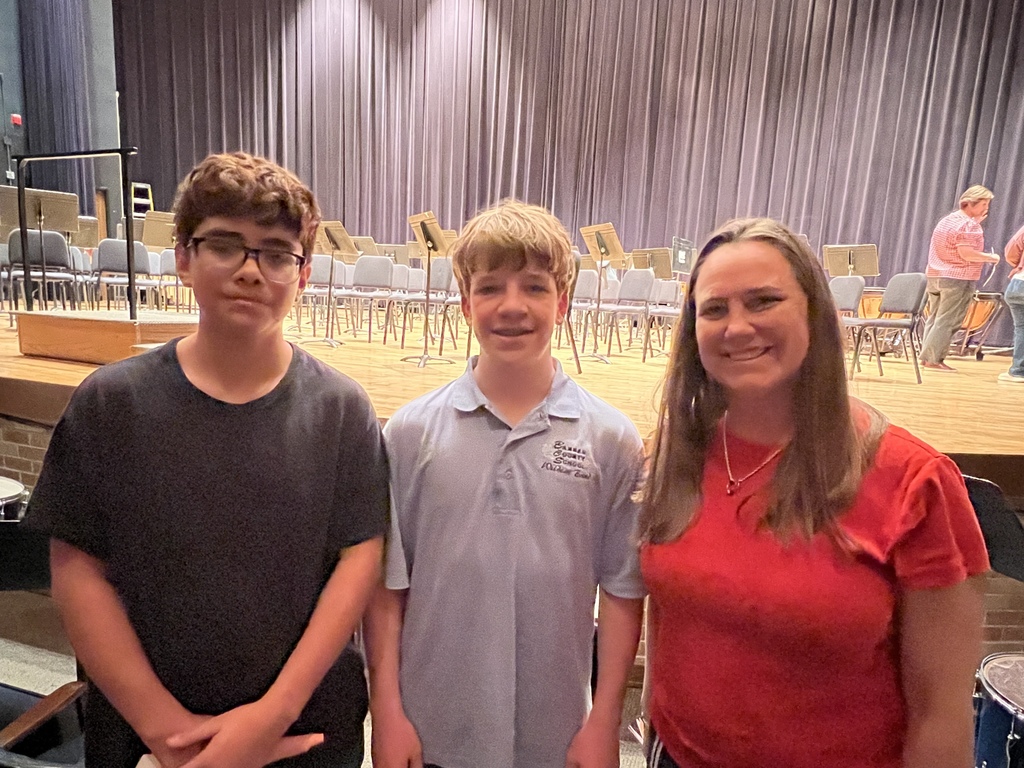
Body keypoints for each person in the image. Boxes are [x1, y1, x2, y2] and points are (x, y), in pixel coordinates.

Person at [23, 152, 389, 768]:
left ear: (302, 275)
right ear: (184, 259)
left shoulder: (343, 411)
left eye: (276, 252)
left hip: (303, 730)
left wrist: (268, 718)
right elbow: (78, 574)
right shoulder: (112, 403)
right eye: (226, 245)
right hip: (148, 738)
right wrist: (166, 731)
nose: (251, 271)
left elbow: (359, 563)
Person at [639, 217, 988, 768]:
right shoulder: (676, 456)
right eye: (714, 309)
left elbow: (940, 719)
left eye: (763, 301)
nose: (737, 327)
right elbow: (671, 615)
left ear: (814, 313)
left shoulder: (914, 481)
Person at [364, 200, 645, 768]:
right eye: (490, 288)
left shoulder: (612, 438)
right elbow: (387, 591)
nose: (512, 306)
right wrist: (388, 713)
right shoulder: (410, 432)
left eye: (535, 288)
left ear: (563, 303)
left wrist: (604, 724)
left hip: (557, 734)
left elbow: (621, 593)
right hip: (434, 726)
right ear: (465, 303)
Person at [919, 184, 1000, 371]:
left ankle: (927, 357)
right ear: (969, 204)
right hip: (957, 278)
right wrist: (990, 257)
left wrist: (976, 222)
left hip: (935, 275)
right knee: (949, 320)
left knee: (935, 317)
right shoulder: (969, 225)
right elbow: (966, 253)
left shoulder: (947, 220)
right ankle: (934, 359)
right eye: (983, 204)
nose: (986, 208)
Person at [998, 220, 1024, 383]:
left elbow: (1010, 251)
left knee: (1021, 328)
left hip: (1019, 283)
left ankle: (1018, 371)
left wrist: (1020, 265)